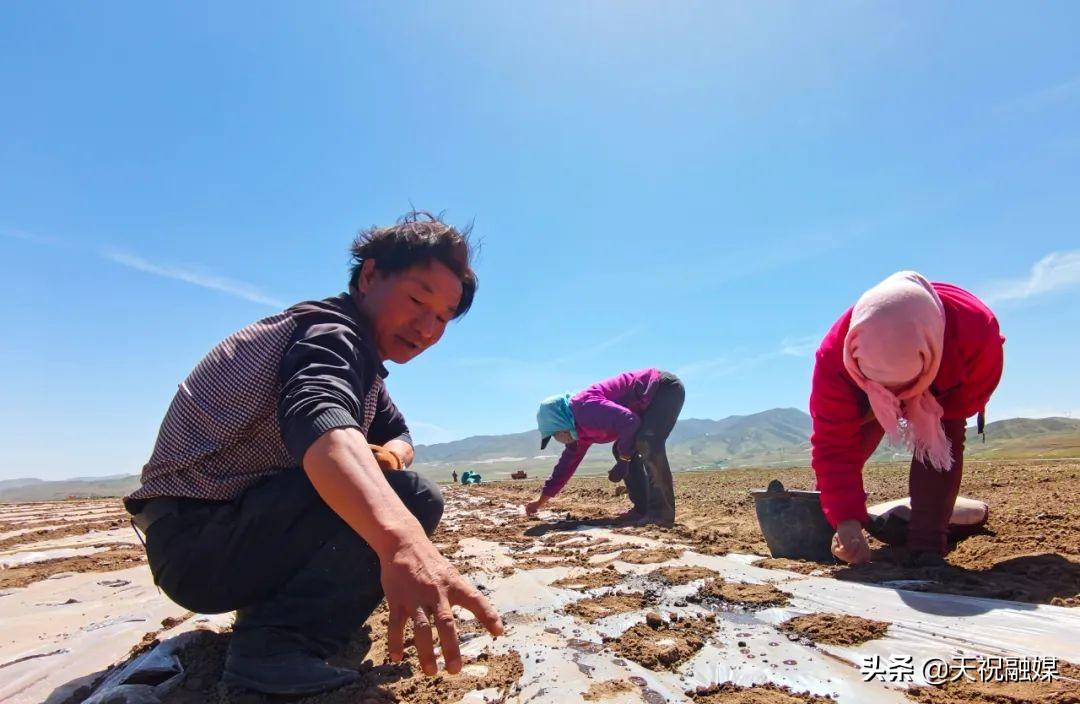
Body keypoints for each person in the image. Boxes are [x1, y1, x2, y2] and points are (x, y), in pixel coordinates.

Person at [123, 212, 503, 695]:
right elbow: (319, 417)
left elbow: (402, 434)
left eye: (443, 318)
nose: (427, 328)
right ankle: (274, 646)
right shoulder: (328, 335)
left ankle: (273, 620)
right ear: (369, 277)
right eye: (416, 300)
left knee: (393, 482)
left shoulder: (363, 367)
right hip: (197, 542)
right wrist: (403, 541)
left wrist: (388, 455)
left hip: (210, 538)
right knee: (412, 500)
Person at [809, 271, 1004, 567]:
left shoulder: (975, 339)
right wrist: (845, 521)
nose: (893, 399)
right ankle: (831, 522)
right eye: (882, 389)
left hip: (946, 369)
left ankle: (927, 541)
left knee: (938, 437)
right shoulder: (835, 359)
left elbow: (947, 433)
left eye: (899, 388)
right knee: (851, 445)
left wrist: (927, 545)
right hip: (864, 383)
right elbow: (834, 445)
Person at [524, 369, 685, 526]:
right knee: (621, 449)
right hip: (645, 404)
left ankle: (661, 514)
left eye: (556, 434)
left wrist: (624, 461)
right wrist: (539, 502)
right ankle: (642, 509)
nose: (558, 439)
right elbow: (565, 467)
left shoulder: (583, 407)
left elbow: (629, 421)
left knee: (647, 442)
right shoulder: (579, 431)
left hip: (662, 389)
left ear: (559, 422)